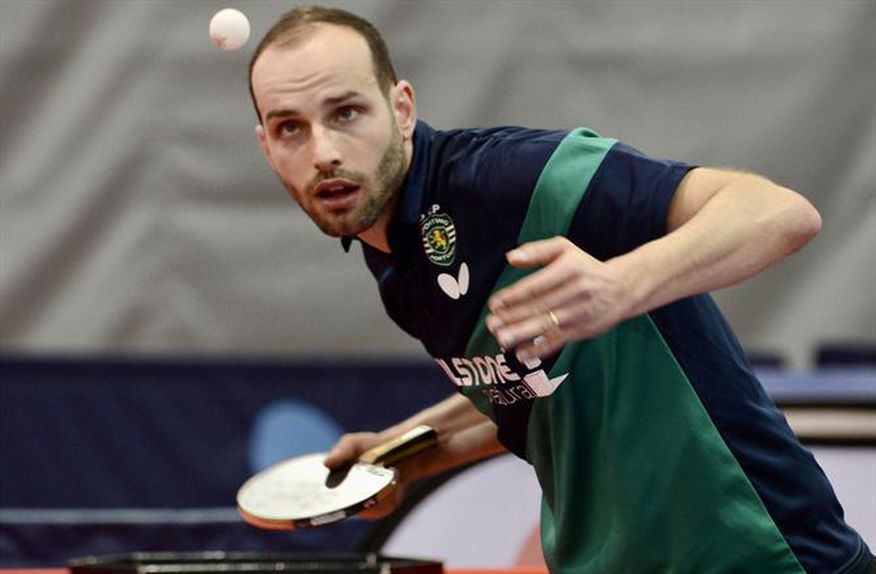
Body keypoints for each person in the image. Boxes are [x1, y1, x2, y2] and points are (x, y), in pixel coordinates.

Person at [247, 6, 873, 573]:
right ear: (266, 148)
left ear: (402, 108)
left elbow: (780, 212)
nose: (323, 152)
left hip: (758, 553)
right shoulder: (394, 264)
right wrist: (405, 453)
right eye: (290, 129)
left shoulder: (515, 177)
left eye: (346, 113)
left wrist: (621, 283)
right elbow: (525, 387)